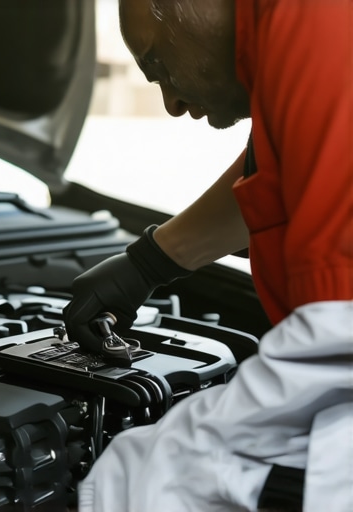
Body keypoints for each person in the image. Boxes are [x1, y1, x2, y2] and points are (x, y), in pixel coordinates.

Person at [62, 0, 353, 510]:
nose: (170, 102)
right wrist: (148, 263)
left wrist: (133, 481)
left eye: (157, 66)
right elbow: (285, 168)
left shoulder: (314, 17)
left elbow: (336, 344)